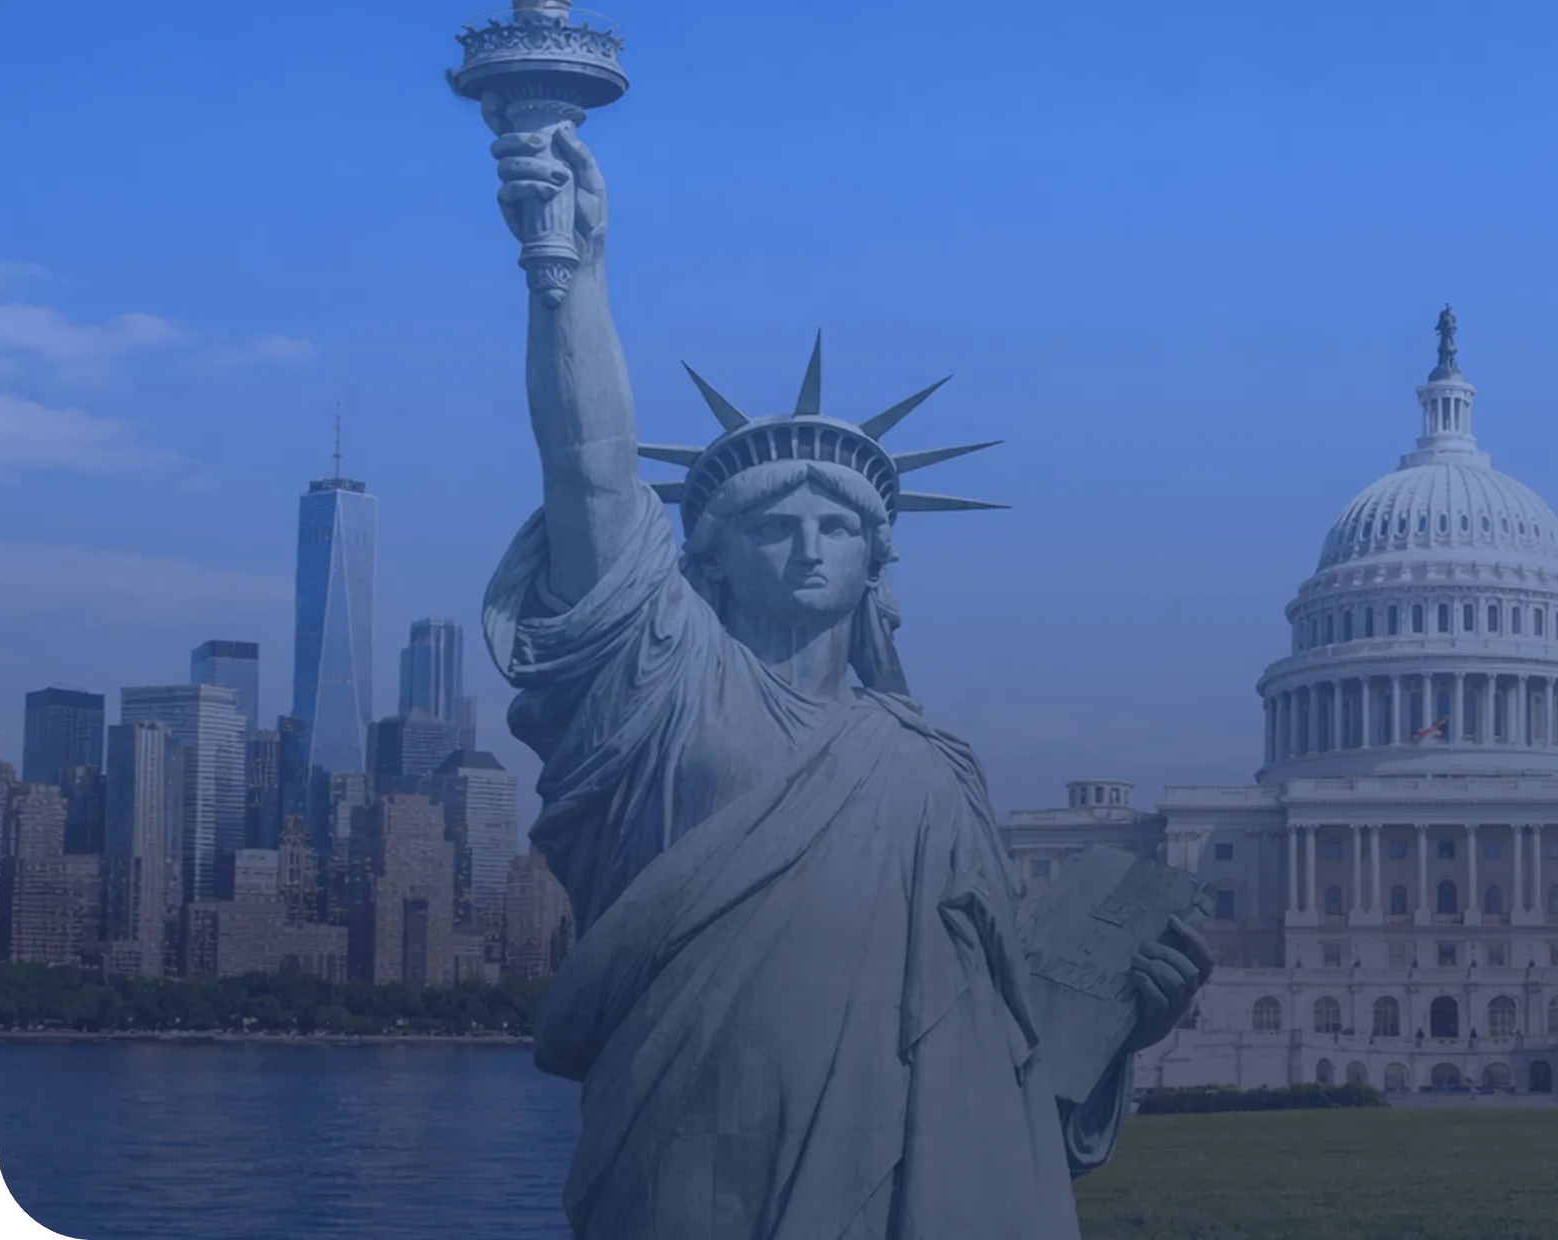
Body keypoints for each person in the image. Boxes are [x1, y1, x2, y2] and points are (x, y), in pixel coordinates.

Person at [477, 111, 1209, 1239]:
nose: (811, 543)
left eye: (840, 524)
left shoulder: (932, 770)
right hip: (685, 1149)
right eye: (777, 522)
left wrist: (1127, 1027)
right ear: (705, 558)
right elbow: (587, 473)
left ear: (878, 562)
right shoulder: (666, 689)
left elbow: (1004, 1034)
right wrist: (563, 271)